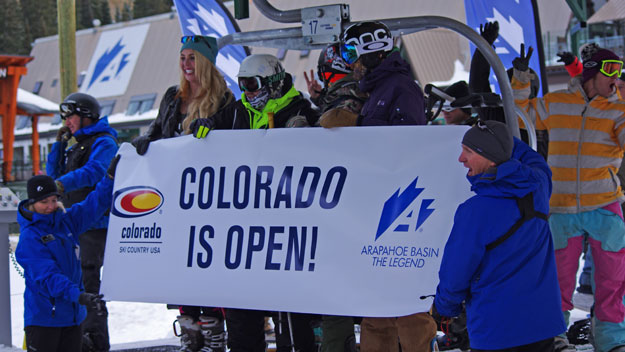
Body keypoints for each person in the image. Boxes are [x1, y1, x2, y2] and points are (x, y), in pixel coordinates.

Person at [190, 53, 319, 352]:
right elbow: (205, 135)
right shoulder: (237, 112)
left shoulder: (299, 109)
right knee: (242, 321)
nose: (247, 91)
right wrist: (203, 127)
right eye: (242, 84)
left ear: (273, 83)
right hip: (245, 236)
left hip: (284, 234)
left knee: (290, 322)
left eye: (253, 83)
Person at [512, 43, 625, 352]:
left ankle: (612, 340)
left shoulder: (618, 108)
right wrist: (521, 77)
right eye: (610, 70)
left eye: (619, 71)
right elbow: (521, 114)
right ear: (592, 73)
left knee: (613, 281)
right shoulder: (558, 102)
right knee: (558, 279)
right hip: (561, 206)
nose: (616, 78)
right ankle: (556, 335)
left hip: (604, 204)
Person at [333, 20, 436, 352]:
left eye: (351, 51)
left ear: (372, 52)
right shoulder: (376, 89)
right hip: (374, 206)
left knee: (406, 306)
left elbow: (406, 147)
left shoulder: (401, 88)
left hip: (398, 213)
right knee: (375, 305)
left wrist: (359, 126)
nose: (349, 61)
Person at [132, 35, 234, 352]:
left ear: (205, 61)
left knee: (205, 264)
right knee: (179, 266)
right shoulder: (173, 97)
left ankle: (214, 331)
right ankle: (189, 331)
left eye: (192, 58)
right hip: (173, 198)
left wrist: (212, 127)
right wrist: (146, 140)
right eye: (183, 58)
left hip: (208, 199)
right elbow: (159, 128)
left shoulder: (225, 99)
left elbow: (233, 139)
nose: (186, 64)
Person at [432, 120, 566, 351]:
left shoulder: (476, 211)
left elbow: (456, 269)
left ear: (492, 158)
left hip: (496, 330)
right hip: (542, 325)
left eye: (469, 151)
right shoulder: (538, 188)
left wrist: (445, 308)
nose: (461, 159)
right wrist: (495, 135)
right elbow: (532, 158)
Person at [16, 156, 119, 352]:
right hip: (45, 320)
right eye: (44, 201)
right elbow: (48, 276)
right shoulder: (30, 237)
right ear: (31, 203)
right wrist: (78, 295)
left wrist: (110, 177)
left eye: (54, 200)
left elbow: (94, 204)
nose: (50, 206)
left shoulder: (64, 222)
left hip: (73, 318)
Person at [46, 92, 118, 351]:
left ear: (86, 116)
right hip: (74, 225)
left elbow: (96, 172)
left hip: (95, 226)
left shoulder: (104, 142)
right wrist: (58, 146)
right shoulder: (77, 144)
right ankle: (79, 339)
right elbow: (53, 176)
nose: (67, 121)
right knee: (72, 283)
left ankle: (96, 341)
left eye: (70, 116)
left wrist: (62, 183)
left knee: (88, 282)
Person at [467, 21, 548, 161]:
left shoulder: (545, 117)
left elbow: (477, 85)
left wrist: (484, 45)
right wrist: (484, 47)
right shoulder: (497, 112)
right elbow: (477, 87)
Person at [339, 21, 426, 127]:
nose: (349, 65)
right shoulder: (377, 89)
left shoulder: (402, 87)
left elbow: (407, 135)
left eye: (350, 55)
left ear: (370, 54)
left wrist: (357, 122)